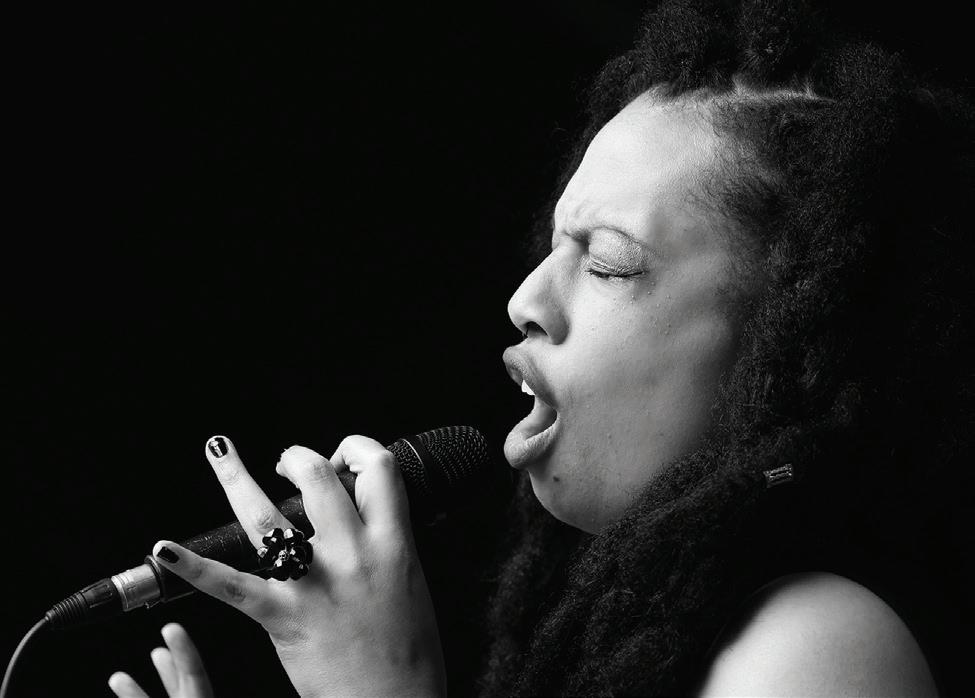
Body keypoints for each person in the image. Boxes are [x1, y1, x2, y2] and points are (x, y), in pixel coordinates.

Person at [107, 0, 972, 695]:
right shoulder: (641, 627)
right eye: (552, 248)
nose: (525, 302)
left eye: (605, 264)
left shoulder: (816, 643)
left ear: (789, 340)